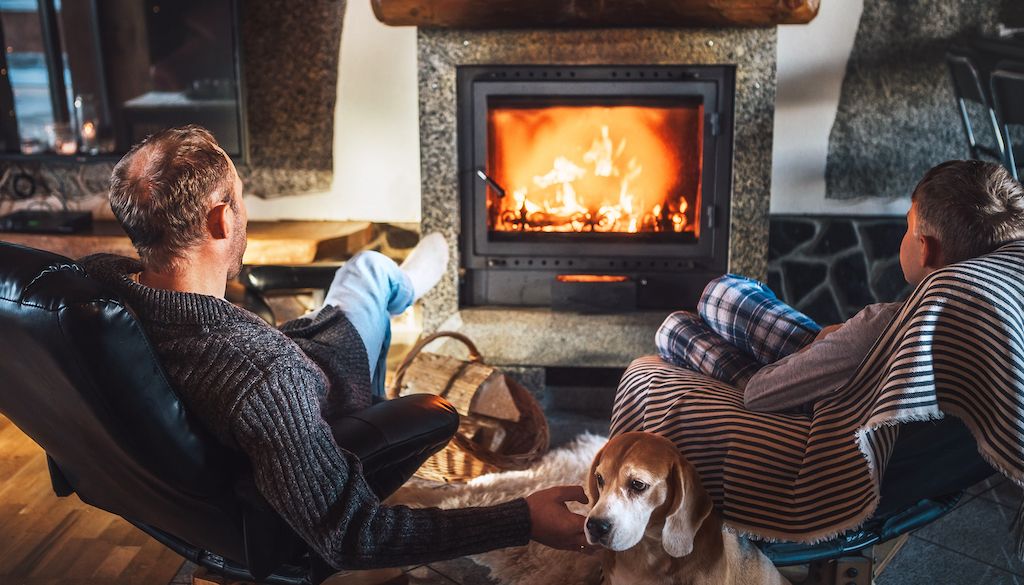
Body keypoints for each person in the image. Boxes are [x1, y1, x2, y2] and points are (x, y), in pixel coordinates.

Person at [80, 125, 591, 571]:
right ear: (219, 222)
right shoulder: (263, 379)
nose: (245, 216)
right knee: (364, 273)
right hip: (330, 391)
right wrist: (523, 518)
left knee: (358, 279)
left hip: (282, 357)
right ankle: (400, 288)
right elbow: (353, 536)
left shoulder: (95, 288)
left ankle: (396, 287)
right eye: (240, 199)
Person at [653, 159, 1024, 513]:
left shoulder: (882, 327)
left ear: (926, 248)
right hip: (864, 383)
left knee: (679, 326)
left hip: (827, 409)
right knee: (721, 294)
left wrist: (833, 344)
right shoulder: (1000, 317)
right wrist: (836, 340)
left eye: (907, 227)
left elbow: (759, 394)